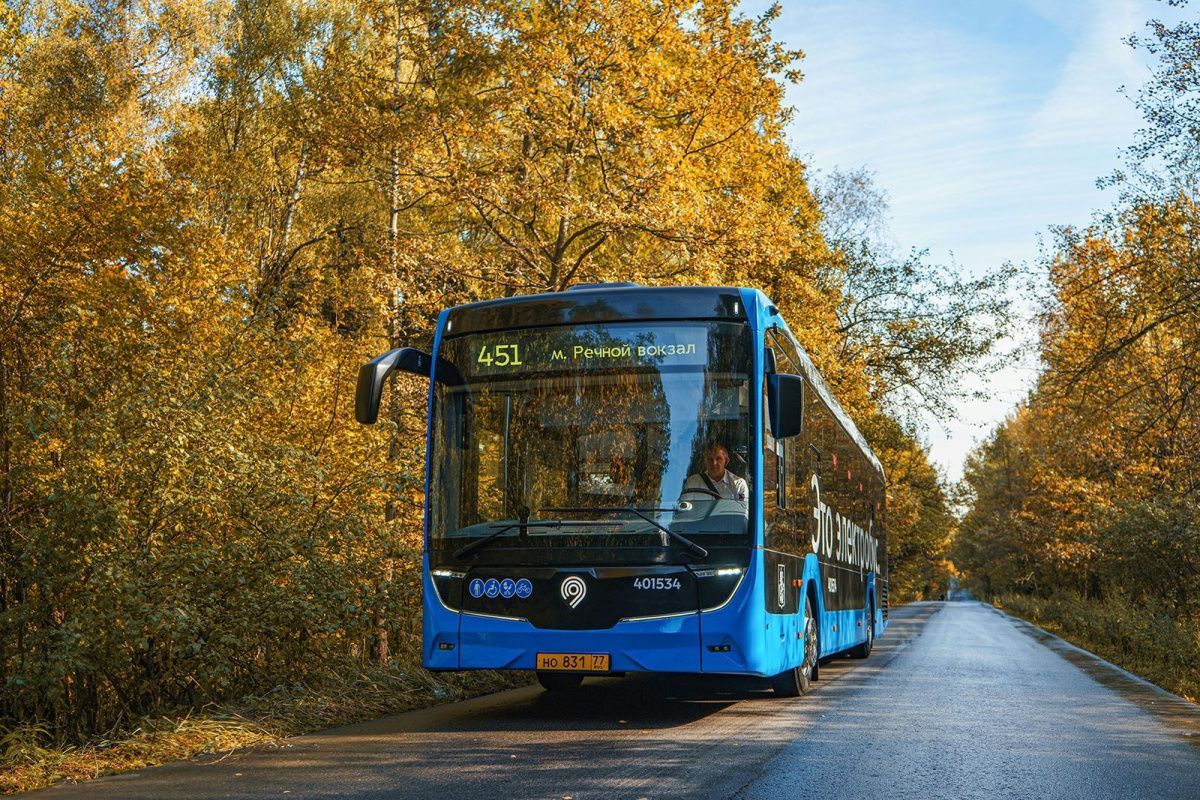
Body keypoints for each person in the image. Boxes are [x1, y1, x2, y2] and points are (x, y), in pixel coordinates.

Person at [684, 442, 748, 503]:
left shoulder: (738, 484)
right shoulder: (693, 482)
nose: (714, 463)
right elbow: (684, 509)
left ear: (726, 461)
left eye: (718, 459)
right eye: (710, 459)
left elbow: (743, 510)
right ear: (705, 462)